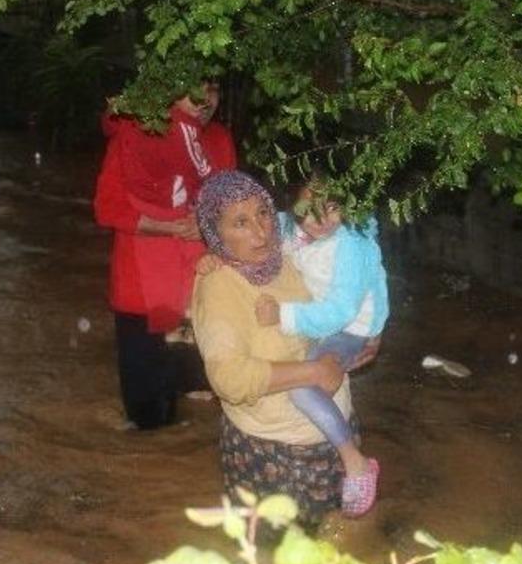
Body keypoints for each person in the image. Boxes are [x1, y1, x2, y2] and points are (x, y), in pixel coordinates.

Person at [191, 170, 377, 526]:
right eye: (240, 223)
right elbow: (228, 378)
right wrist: (314, 371)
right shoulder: (220, 285)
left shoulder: (290, 254)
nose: (260, 232)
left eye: (263, 212)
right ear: (216, 233)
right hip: (276, 460)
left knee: (341, 559)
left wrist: (368, 334)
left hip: (334, 437)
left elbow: (344, 297)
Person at [93, 82, 236, 429]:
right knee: (149, 420)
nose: (206, 101)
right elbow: (108, 208)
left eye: (215, 90)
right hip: (141, 291)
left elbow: (233, 207)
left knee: (213, 407)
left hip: (199, 289)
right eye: (195, 91)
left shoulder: (218, 140)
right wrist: (171, 226)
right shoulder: (133, 135)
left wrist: (206, 227)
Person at [254, 176, 388, 517]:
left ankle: (356, 463)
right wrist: (211, 254)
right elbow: (257, 227)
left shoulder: (350, 245)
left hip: (351, 326)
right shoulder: (290, 227)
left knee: (304, 390)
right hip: (326, 317)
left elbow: (340, 311)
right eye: (309, 211)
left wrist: (283, 316)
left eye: (332, 208)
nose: (322, 220)